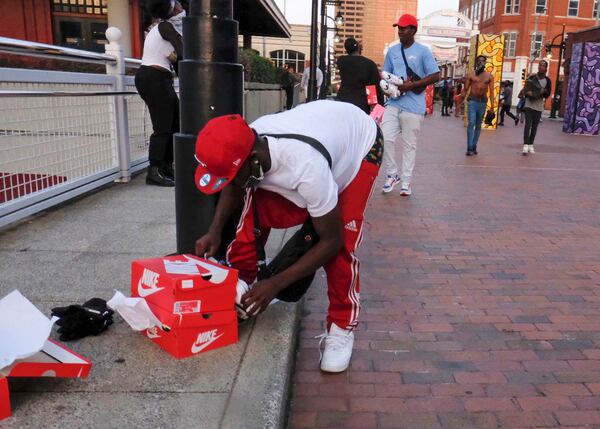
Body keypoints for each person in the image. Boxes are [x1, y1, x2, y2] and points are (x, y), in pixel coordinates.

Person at [193, 100, 383, 373]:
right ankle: (245, 285)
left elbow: (332, 241)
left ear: (254, 160)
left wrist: (275, 283)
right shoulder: (248, 144)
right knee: (250, 214)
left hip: (361, 147)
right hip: (324, 136)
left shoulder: (307, 168)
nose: (230, 183)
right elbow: (233, 184)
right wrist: (214, 230)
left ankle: (341, 328)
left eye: (233, 175)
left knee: (342, 244)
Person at [380, 14, 440, 196]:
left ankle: (406, 182)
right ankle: (392, 174)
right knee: (385, 138)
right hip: (393, 102)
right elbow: (385, 74)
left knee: (409, 145)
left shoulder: (423, 51)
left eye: (404, 28)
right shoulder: (392, 51)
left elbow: (436, 75)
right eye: (398, 28)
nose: (400, 31)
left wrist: (411, 85)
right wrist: (387, 89)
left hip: (413, 105)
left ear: (413, 30)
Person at [135, 0, 185, 187]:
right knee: (163, 127)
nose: (182, 7)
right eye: (178, 5)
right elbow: (183, 53)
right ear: (171, 10)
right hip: (153, 78)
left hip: (161, 79)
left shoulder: (163, 28)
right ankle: (154, 170)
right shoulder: (165, 27)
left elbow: (178, 61)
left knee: (175, 124)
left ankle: (166, 167)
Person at [336, 37, 384, 114]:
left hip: (343, 100)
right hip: (361, 103)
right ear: (358, 48)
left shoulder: (341, 61)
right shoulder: (369, 64)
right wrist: (379, 105)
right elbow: (375, 86)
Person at [460, 55, 495, 156]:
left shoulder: (489, 76)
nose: (480, 62)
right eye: (479, 61)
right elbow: (465, 89)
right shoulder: (471, 75)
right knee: (471, 123)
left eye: (483, 61)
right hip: (472, 101)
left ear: (485, 63)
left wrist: (492, 107)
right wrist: (460, 101)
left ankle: (474, 145)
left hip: (483, 102)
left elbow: (492, 92)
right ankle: (469, 147)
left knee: (478, 125)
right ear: (476, 63)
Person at [520, 60, 551, 155]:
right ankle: (525, 145)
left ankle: (531, 145)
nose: (541, 67)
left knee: (534, 127)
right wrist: (535, 93)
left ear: (546, 68)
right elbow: (526, 90)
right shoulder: (532, 77)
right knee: (527, 125)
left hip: (538, 106)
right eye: (540, 65)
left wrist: (543, 92)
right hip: (529, 105)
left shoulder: (547, 80)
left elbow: (547, 94)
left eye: (543, 65)